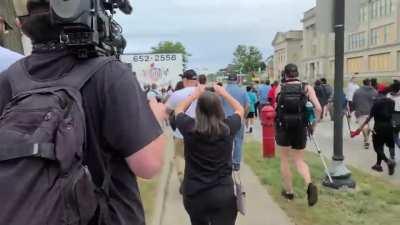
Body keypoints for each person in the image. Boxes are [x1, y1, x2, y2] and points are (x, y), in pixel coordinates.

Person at [0, 1, 167, 225]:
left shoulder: (9, 78)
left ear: (23, 24)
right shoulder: (110, 74)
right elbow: (149, 165)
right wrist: (156, 116)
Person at [175, 84, 244, 225]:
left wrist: (194, 95)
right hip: (222, 191)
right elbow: (240, 109)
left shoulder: (189, 127)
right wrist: (224, 93)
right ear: (219, 109)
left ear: (198, 110)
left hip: (194, 192)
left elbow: (178, 110)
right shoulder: (228, 127)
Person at [275, 63, 321, 207]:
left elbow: (276, 108)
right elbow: (318, 108)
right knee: (299, 160)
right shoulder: (306, 88)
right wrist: (313, 126)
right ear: (297, 73)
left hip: (284, 128)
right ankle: (309, 185)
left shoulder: (280, 88)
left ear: (285, 74)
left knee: (284, 159)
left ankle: (289, 192)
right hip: (300, 127)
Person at [165, 69, 198, 190]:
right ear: (195, 80)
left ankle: (182, 178)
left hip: (180, 133)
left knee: (179, 156)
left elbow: (167, 110)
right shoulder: (203, 92)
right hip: (199, 132)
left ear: (185, 80)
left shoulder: (177, 94)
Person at [354, 87, 396, 175]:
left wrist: (360, 128)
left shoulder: (377, 103)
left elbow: (369, 117)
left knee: (377, 147)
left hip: (379, 127)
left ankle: (388, 161)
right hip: (389, 127)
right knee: (381, 146)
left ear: (379, 93)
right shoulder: (392, 102)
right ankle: (378, 165)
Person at [222, 73, 249, 171]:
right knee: (238, 141)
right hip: (238, 119)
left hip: (225, 121)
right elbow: (247, 105)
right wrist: (244, 116)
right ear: (236, 80)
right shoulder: (242, 91)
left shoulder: (223, 91)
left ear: (228, 80)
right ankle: (236, 163)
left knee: (225, 141)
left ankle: (226, 162)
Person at [353, 79, 378, 149]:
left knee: (364, 126)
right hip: (372, 112)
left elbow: (354, 102)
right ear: (370, 83)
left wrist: (355, 109)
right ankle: (366, 139)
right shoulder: (375, 92)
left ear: (363, 83)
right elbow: (377, 101)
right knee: (368, 127)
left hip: (361, 111)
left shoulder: (357, 92)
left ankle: (366, 140)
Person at [387, 81, 400, 160]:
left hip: (394, 117)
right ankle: (392, 155)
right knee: (395, 136)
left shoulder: (389, 96)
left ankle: (392, 155)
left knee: (392, 137)